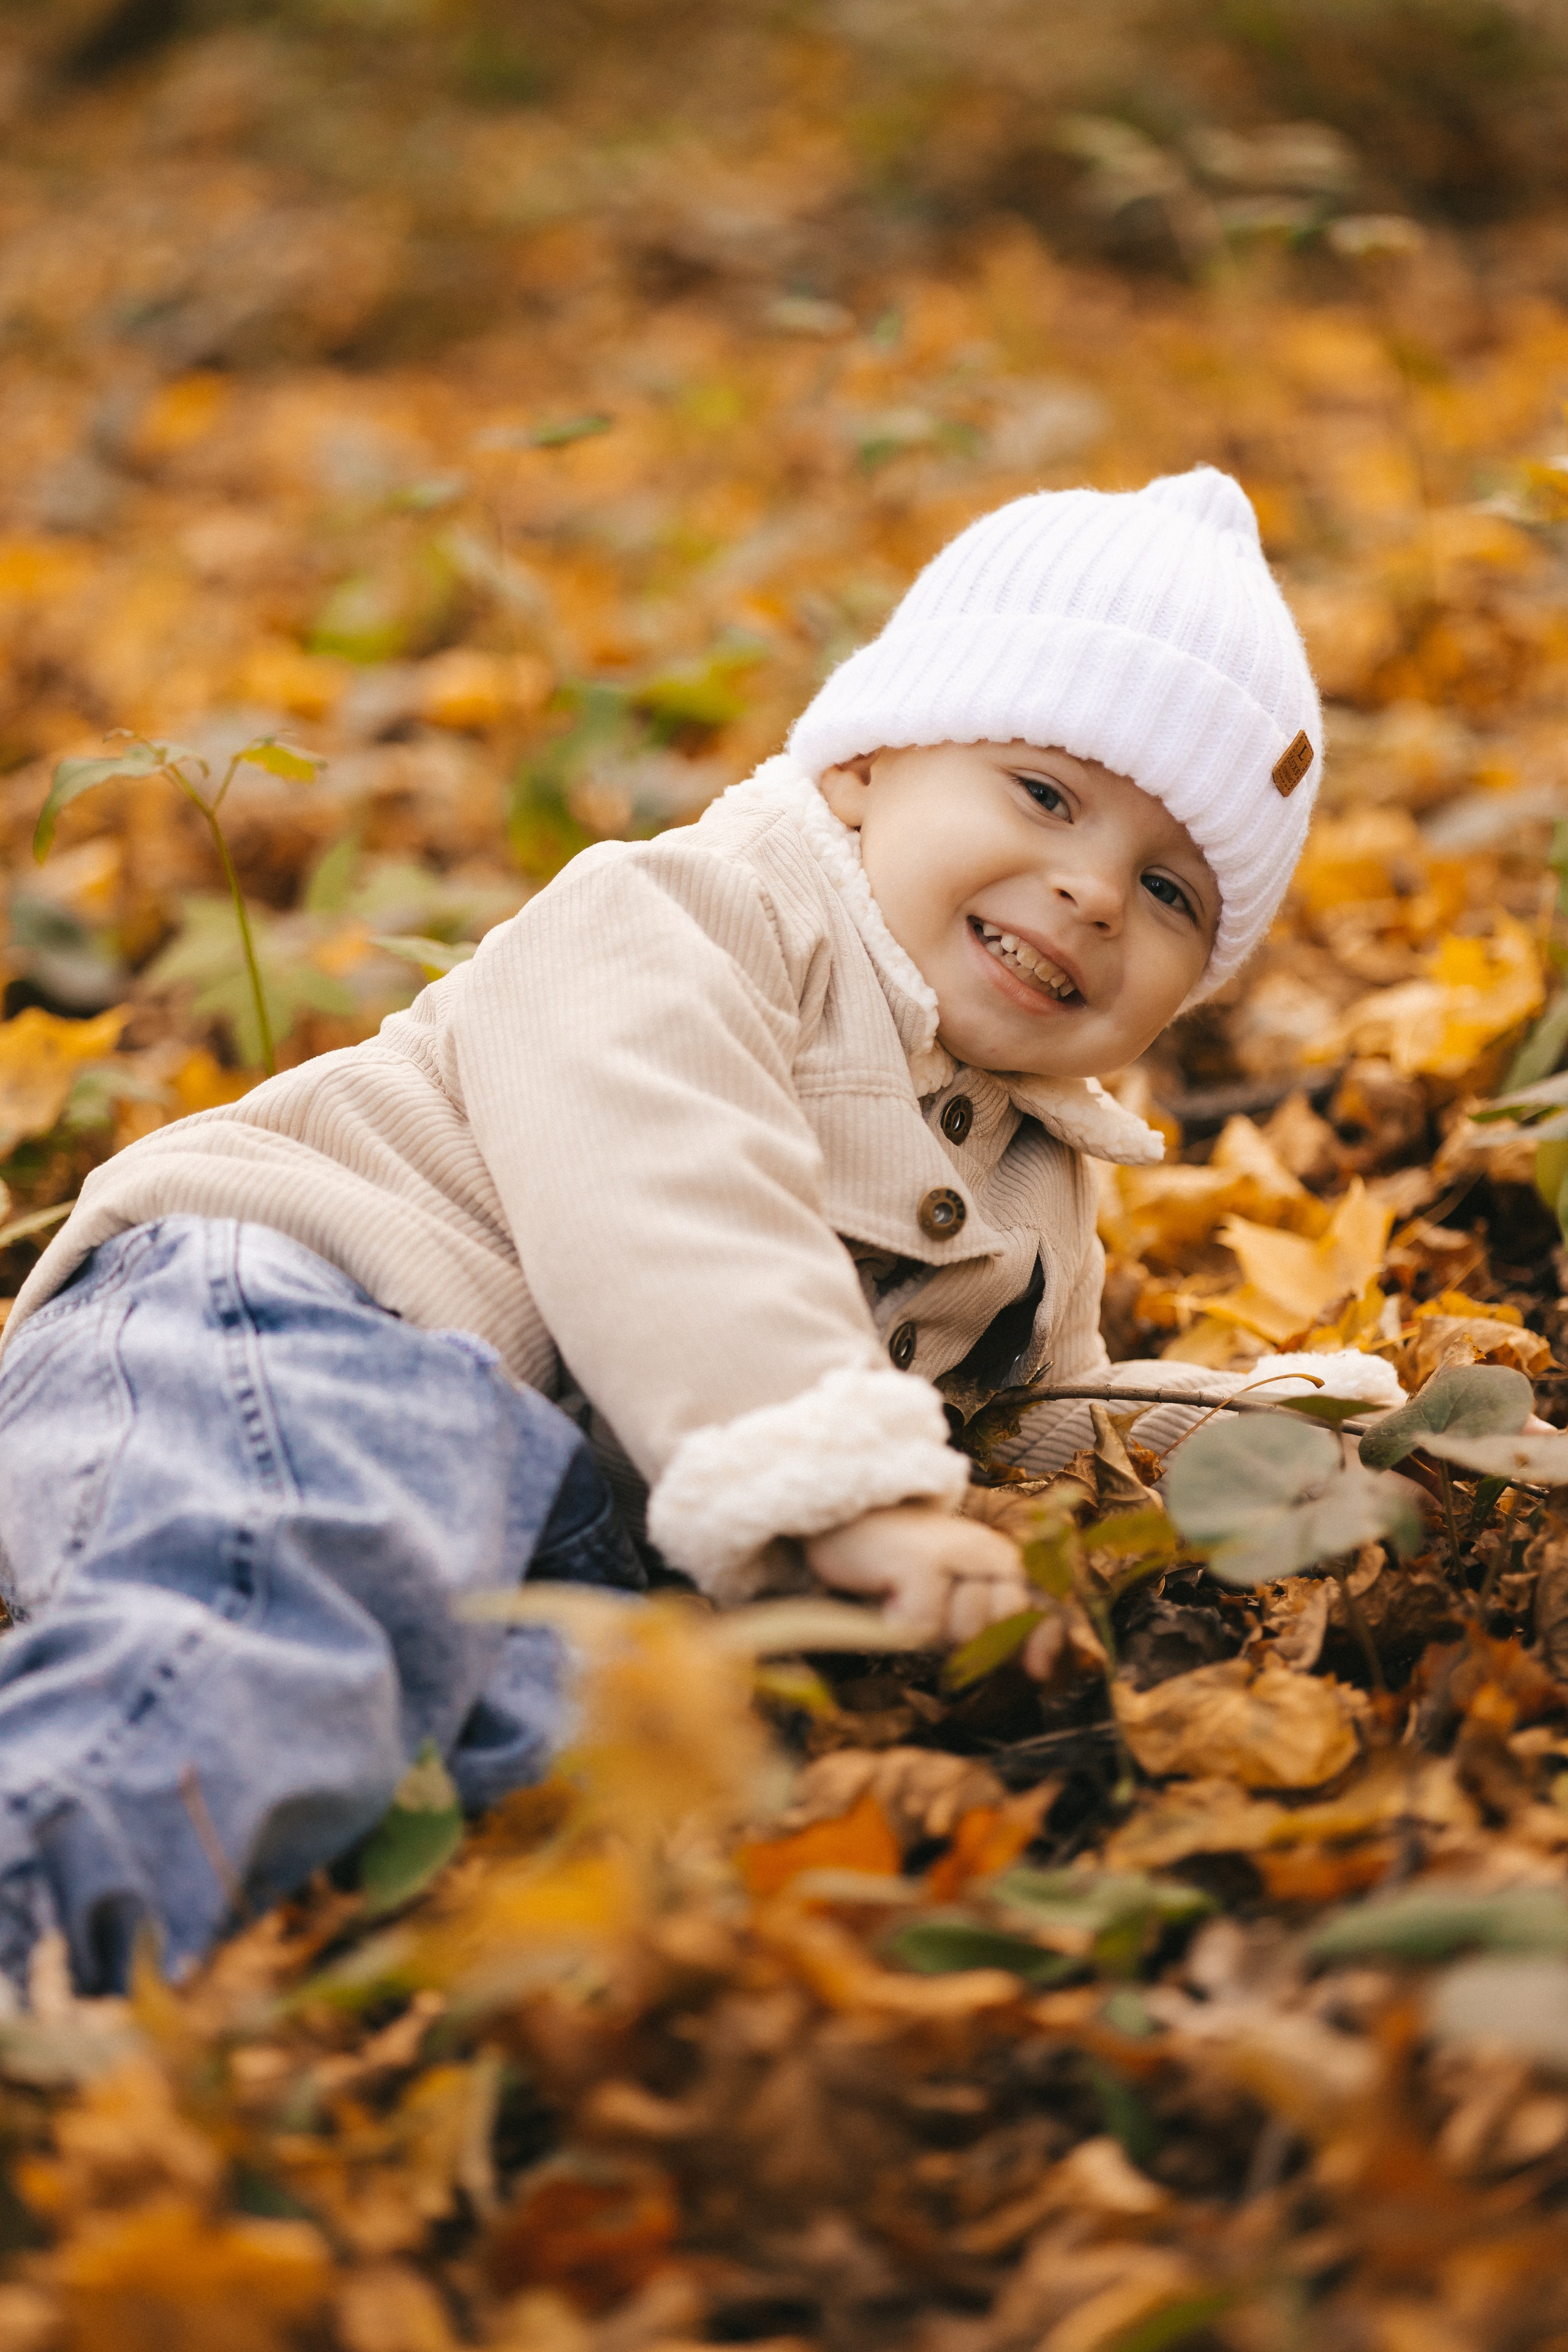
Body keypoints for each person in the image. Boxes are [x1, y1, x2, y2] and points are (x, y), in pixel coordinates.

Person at [0, 463, 1393, 1994]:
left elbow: (1021, 1427)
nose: (1087, 890)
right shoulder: (697, 915)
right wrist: (839, 1482)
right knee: (274, 1626)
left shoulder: (1036, 1179)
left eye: (1170, 890)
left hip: (542, 1509)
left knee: (590, 1753)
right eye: (1044, 794)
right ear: (866, 766)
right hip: (294, 1326)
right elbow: (664, 1183)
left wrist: (1249, 1444)